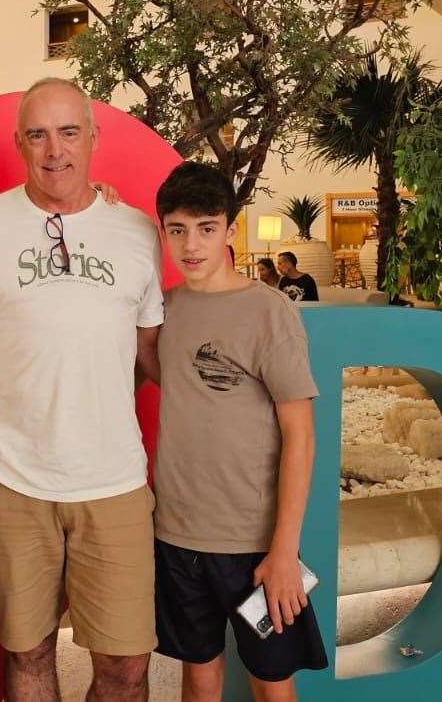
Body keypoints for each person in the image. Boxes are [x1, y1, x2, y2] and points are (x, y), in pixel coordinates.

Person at [0, 76, 164, 701]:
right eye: (38, 135)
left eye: (69, 132)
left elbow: (150, 349)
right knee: (29, 653)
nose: (54, 150)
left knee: (126, 667)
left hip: (114, 478)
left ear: (93, 139)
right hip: (10, 473)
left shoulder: (138, 231)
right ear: (18, 143)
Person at [150, 163, 327, 702]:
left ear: (230, 230)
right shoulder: (163, 311)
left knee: (271, 682)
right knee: (198, 674)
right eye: (177, 229)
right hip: (176, 536)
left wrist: (284, 551)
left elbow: (301, 435)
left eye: (206, 228)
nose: (191, 244)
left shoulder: (268, 312)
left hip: (254, 545)